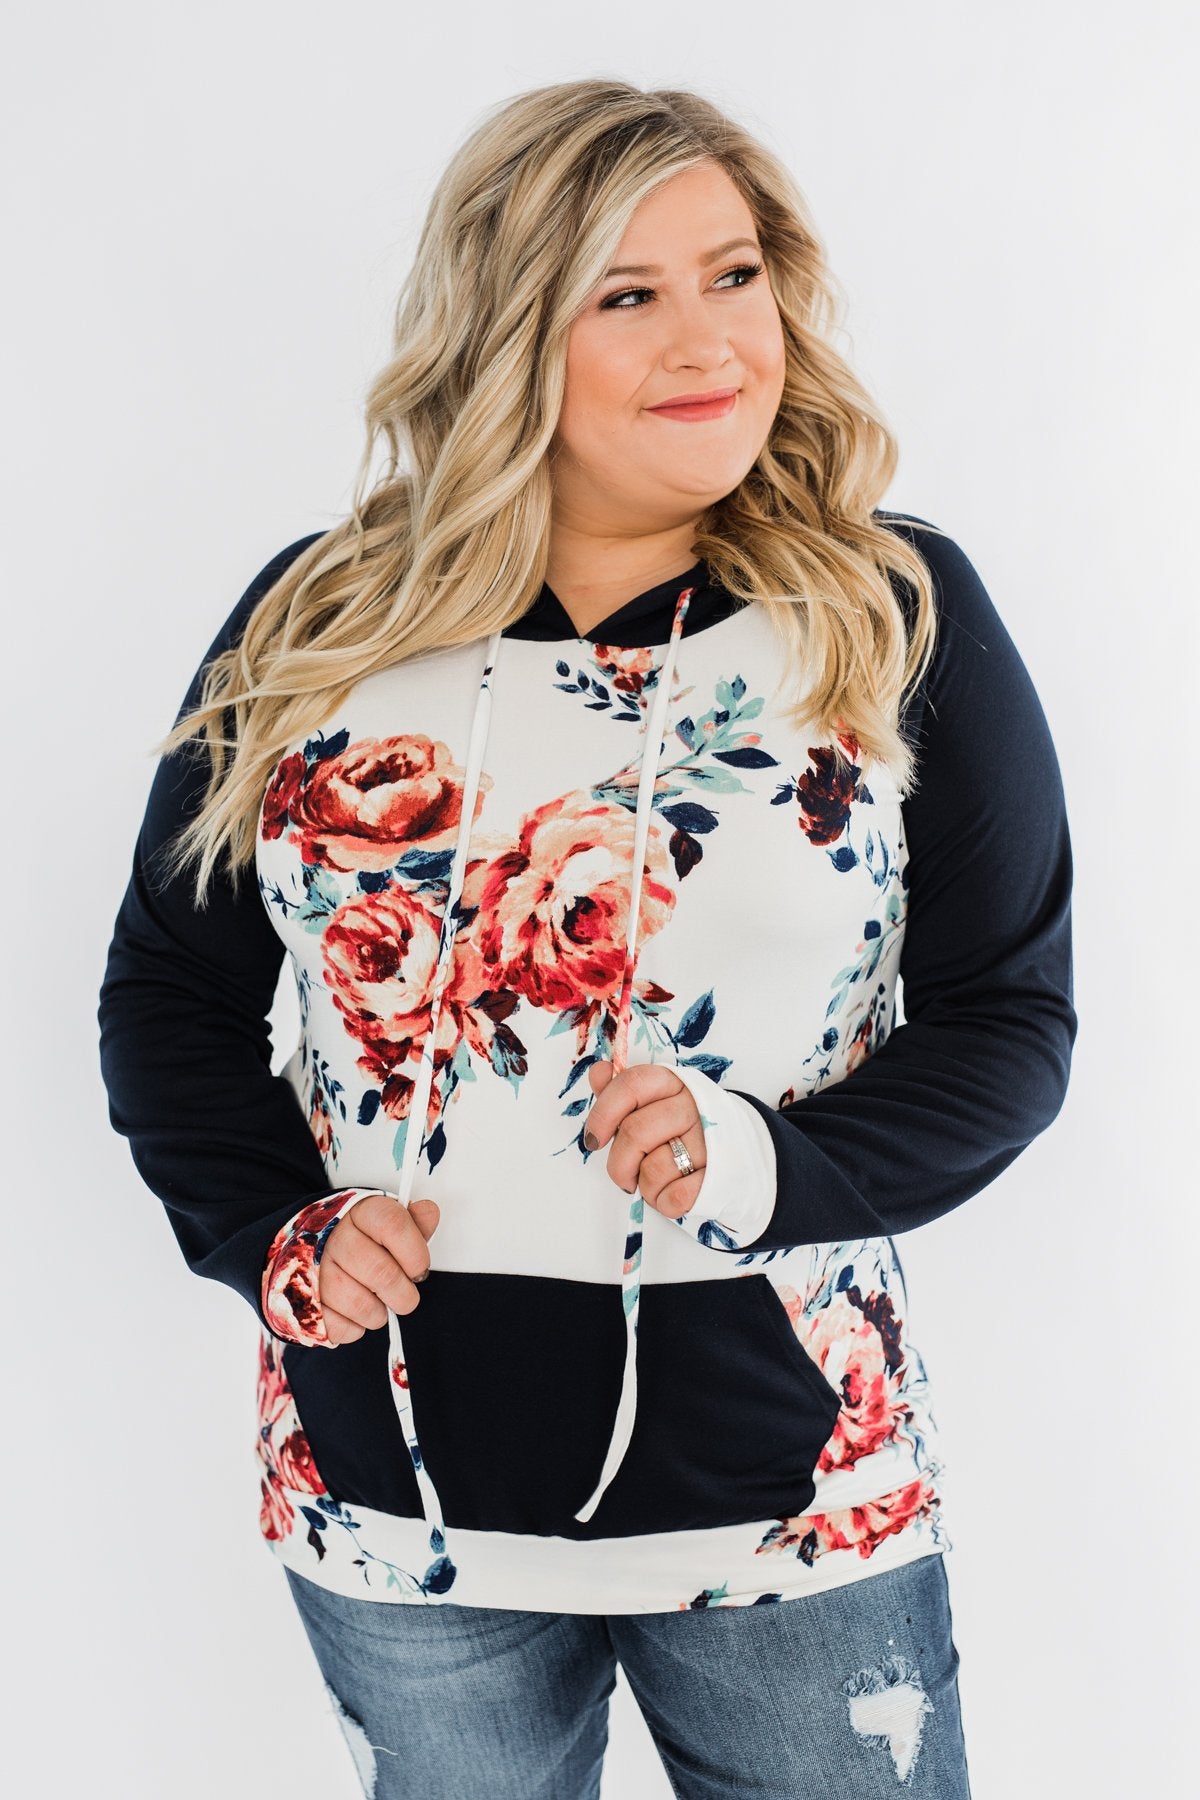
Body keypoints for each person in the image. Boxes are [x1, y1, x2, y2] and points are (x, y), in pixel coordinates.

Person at [97, 77, 1075, 1800]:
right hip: (399, 1502)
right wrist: (273, 1234)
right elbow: (172, 992)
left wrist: (763, 1164)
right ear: (506, 331)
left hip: (794, 1507)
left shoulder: (890, 614)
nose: (711, 341)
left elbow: (1010, 1020)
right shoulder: (316, 627)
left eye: (735, 274)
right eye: (628, 294)